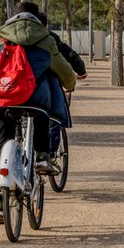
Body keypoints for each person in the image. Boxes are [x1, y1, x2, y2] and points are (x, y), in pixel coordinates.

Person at [0, 1, 76, 225]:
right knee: (41, 113)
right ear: (37, 18)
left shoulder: (0, 36)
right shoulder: (46, 38)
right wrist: (70, 83)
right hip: (32, 98)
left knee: (2, 144)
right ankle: (42, 155)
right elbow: (64, 72)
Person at [36, 11, 87, 162]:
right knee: (55, 115)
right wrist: (79, 72)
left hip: (14, 88)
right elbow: (67, 55)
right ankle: (50, 154)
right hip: (46, 86)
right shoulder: (48, 37)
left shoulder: (10, 37)